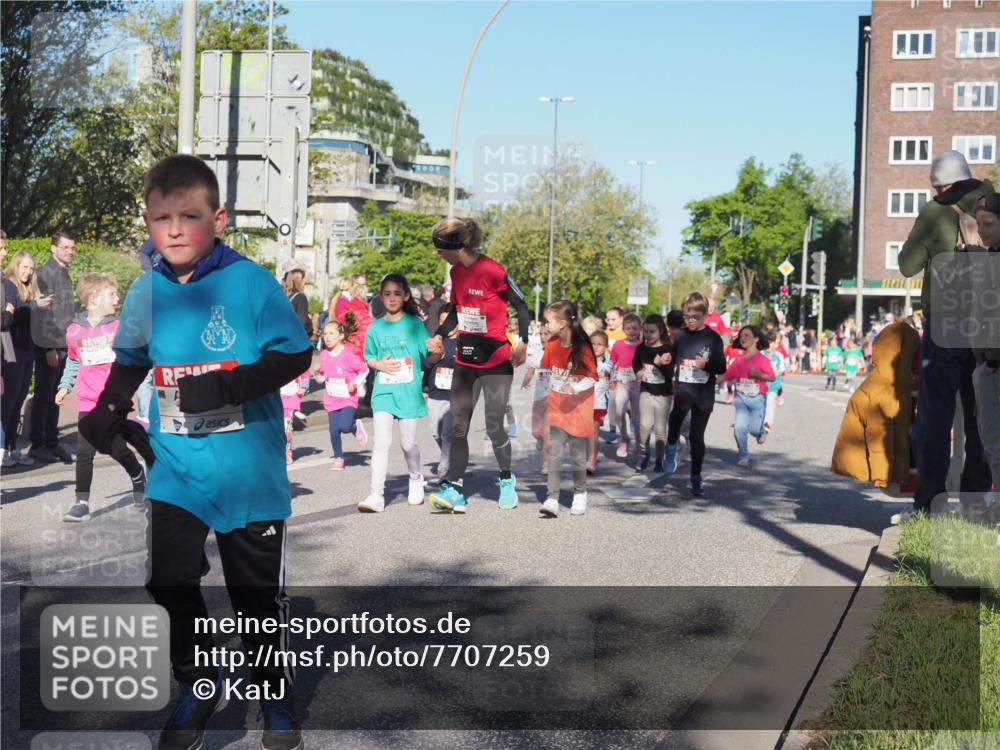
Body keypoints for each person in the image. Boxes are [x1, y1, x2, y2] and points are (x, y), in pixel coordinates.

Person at [79, 154, 312, 750]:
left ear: (219, 218)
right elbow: (131, 357)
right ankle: (200, 679)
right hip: (176, 468)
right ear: (149, 223)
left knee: (253, 599)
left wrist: (229, 385)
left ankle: (271, 692)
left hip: (247, 471)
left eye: (190, 216)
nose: (175, 229)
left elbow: (293, 355)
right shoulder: (146, 290)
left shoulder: (250, 282)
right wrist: (106, 410)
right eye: (162, 218)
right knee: (169, 581)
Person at [898, 149, 994, 519]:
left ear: (941, 183)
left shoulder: (935, 211)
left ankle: (929, 504)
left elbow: (907, 266)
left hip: (943, 324)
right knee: (981, 418)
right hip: (987, 324)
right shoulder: (994, 202)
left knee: (934, 419)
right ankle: (974, 504)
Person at [426, 218, 530, 513]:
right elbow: (458, 314)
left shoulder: (492, 270)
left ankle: (506, 479)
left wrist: (523, 342)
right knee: (458, 426)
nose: (437, 254)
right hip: (465, 360)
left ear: (456, 246)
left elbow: (521, 304)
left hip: (496, 361)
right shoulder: (456, 272)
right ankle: (456, 488)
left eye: (439, 249)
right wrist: (439, 335)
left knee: (495, 427)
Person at [56, 273, 147, 521]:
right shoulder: (74, 331)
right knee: (84, 452)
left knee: (116, 449)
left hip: (111, 400)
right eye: (112, 294)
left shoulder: (119, 327)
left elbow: (134, 361)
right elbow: (74, 362)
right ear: (94, 298)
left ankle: (137, 474)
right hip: (87, 401)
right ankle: (81, 502)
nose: (117, 299)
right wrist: (65, 385)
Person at [360, 273, 440, 512]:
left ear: (406, 296)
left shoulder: (414, 325)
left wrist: (437, 351)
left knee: (407, 444)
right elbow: (369, 357)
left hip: (408, 392)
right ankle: (376, 494)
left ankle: (416, 478)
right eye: (387, 294)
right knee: (381, 443)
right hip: (384, 392)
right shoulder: (375, 327)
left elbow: (430, 357)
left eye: (397, 294)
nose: (392, 298)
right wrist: (379, 365)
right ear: (381, 296)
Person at [663, 292, 727, 496]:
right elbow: (672, 355)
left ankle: (696, 476)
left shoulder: (713, 338)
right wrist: (667, 358)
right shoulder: (680, 336)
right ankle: (671, 445)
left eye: (695, 317)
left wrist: (706, 364)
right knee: (681, 404)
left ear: (704, 315)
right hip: (684, 386)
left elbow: (722, 368)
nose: (690, 320)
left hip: (704, 392)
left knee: (697, 437)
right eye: (686, 316)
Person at [539, 299, 597, 517]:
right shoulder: (553, 343)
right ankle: (552, 498)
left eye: (548, 321)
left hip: (579, 408)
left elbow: (592, 378)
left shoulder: (582, 346)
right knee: (555, 452)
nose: (545, 326)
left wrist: (574, 388)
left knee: (576, 455)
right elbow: (545, 365)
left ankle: (580, 493)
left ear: (562, 323)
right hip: (557, 405)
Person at [2, 251, 54, 467]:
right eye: (24, 267)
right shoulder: (9, 287)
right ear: (16, 266)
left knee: (19, 399)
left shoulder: (28, 289)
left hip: (26, 350)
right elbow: (9, 320)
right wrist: (34, 306)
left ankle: (13, 448)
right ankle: (3, 449)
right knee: (8, 401)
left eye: (31, 268)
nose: (28, 271)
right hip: (9, 348)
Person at [30, 230, 76, 464]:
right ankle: (38, 445)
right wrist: (49, 349)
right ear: (53, 248)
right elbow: (42, 315)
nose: (70, 251)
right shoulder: (45, 274)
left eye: (72, 248)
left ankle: (51, 441)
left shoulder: (64, 273)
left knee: (55, 395)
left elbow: (65, 311)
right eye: (66, 247)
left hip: (63, 345)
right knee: (44, 395)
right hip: (50, 345)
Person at [970, 192, 1000, 518]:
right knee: (991, 447)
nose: (982, 230)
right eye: (979, 224)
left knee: (995, 446)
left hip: (994, 365)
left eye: (989, 223)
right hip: (987, 366)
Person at [314, 317, 369, 472]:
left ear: (341, 336)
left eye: (331, 333)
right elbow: (322, 379)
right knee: (333, 430)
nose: (327, 337)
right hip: (331, 398)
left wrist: (355, 383)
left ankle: (354, 427)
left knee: (344, 426)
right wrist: (316, 373)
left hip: (347, 398)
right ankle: (339, 458)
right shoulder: (324, 355)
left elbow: (364, 370)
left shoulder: (348, 355)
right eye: (325, 334)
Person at [721, 325, 776, 466]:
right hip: (741, 399)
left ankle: (760, 432)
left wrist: (758, 375)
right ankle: (744, 455)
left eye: (747, 335)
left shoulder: (762, 360)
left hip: (758, 399)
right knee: (739, 427)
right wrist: (707, 382)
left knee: (753, 429)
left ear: (756, 339)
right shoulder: (739, 361)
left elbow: (772, 377)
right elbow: (726, 375)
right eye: (741, 336)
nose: (743, 338)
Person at [632, 314, 673, 472]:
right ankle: (644, 454)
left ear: (661, 331)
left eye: (652, 332)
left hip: (663, 394)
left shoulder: (667, 349)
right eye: (646, 331)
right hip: (646, 392)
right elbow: (635, 362)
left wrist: (661, 364)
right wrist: (638, 372)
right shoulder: (641, 348)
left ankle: (659, 459)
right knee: (644, 425)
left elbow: (670, 374)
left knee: (660, 429)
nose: (648, 335)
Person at [426, 306, 458, 480]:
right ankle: (451, 457)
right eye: (442, 322)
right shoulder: (434, 343)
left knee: (447, 432)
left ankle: (445, 465)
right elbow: (425, 365)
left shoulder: (463, 344)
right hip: (436, 393)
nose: (446, 326)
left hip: (455, 396)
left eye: (450, 322)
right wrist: (435, 356)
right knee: (436, 433)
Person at [610, 313, 642, 462]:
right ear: (623, 329)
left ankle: (638, 447)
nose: (631, 331)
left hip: (636, 385)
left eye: (635, 328)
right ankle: (624, 438)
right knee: (619, 412)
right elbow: (611, 363)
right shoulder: (618, 345)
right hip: (622, 384)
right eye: (628, 328)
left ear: (640, 329)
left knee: (636, 418)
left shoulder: (642, 346)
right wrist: (611, 379)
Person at [522, 321, 552, 472]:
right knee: (536, 432)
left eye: (547, 334)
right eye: (541, 334)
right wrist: (525, 381)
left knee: (547, 431)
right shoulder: (536, 354)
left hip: (554, 398)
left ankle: (546, 463)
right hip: (539, 397)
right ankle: (539, 439)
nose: (543, 337)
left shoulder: (561, 354)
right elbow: (530, 370)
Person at [588, 329, 613, 474]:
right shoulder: (583, 361)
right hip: (583, 402)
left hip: (599, 403)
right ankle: (586, 456)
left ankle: (591, 460)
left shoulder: (609, 364)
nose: (596, 347)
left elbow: (614, 381)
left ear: (605, 347)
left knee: (593, 431)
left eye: (600, 344)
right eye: (593, 344)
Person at [331, 275, 372, 359]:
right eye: (358, 284)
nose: (361, 287)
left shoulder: (349, 303)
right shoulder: (345, 303)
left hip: (351, 348)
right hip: (353, 349)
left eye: (364, 284)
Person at [763, 331, 786, 435]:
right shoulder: (761, 354)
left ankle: (768, 423)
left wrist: (774, 373)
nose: (773, 345)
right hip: (761, 384)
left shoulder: (779, 356)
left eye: (775, 343)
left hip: (773, 384)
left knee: (770, 403)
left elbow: (781, 369)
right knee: (761, 404)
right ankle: (759, 421)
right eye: (770, 342)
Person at [283, 266, 313, 339]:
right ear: (300, 281)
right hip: (295, 340)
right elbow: (301, 323)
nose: (304, 284)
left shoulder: (284, 297)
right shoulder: (301, 297)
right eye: (304, 281)